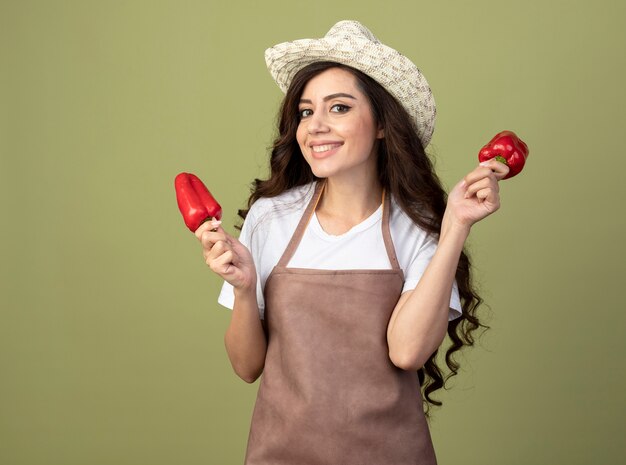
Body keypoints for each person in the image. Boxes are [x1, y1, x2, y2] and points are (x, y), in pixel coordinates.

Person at [195, 20, 508, 465]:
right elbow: (247, 367)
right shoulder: (271, 218)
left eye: (338, 108)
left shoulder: (416, 225)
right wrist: (245, 288)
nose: (316, 126)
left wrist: (455, 224)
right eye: (306, 112)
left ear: (382, 124)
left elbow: (407, 351)